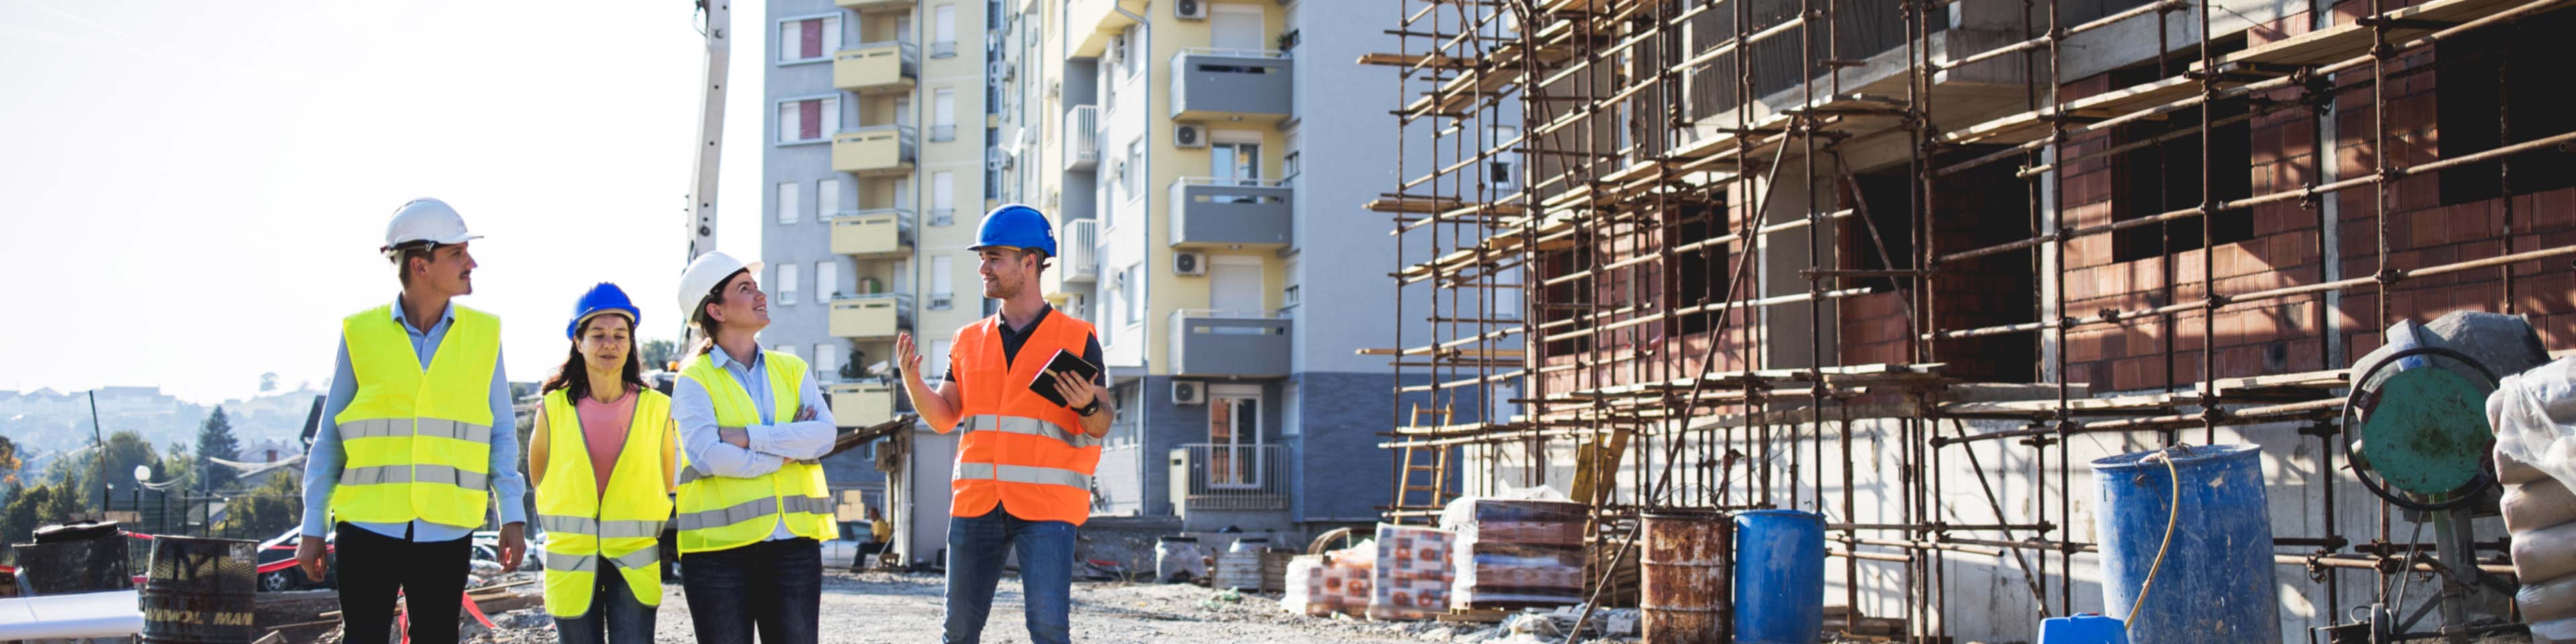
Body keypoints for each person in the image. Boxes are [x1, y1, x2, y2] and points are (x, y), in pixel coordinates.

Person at [297, 198, 528, 644]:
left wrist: (512, 515)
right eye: (457, 254)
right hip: (366, 526)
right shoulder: (360, 334)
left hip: (447, 525)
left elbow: (500, 432)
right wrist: (312, 525)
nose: (471, 263)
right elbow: (329, 439)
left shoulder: (484, 335)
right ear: (420, 265)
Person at [895, 204, 1114, 644]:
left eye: (994, 257)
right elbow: (943, 418)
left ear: (1029, 262)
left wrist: (1088, 404)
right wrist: (913, 382)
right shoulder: (967, 340)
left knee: (1049, 629)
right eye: (982, 257)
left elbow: (1101, 423)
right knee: (957, 632)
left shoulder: (1077, 339)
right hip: (977, 503)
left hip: (1047, 507)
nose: (983, 267)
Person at [669, 251, 839, 644]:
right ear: (716, 309)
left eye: (756, 286)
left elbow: (824, 436)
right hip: (718, 555)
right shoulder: (693, 379)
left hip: (793, 547)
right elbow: (708, 456)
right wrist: (785, 452)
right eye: (745, 288)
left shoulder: (792, 369)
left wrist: (749, 437)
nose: (760, 295)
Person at [528, 283, 676, 644]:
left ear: (631, 343)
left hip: (634, 564)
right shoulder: (552, 409)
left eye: (619, 335)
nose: (610, 344)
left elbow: (669, 480)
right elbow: (539, 478)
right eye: (598, 335)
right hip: (571, 565)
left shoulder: (658, 409)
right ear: (578, 342)